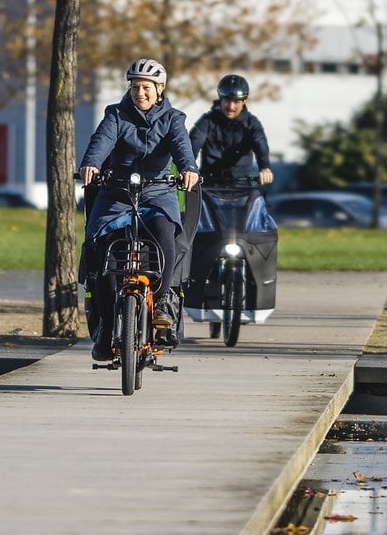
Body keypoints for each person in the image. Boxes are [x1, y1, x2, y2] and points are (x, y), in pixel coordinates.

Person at [79, 57, 199, 361]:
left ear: (159, 89)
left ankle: (162, 302)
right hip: (116, 194)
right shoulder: (116, 115)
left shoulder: (173, 119)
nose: (140, 92)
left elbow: (182, 147)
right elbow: (101, 140)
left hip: (157, 193)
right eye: (135, 87)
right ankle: (106, 327)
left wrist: (188, 169)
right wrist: (91, 163)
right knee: (102, 250)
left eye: (146, 87)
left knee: (165, 237)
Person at [189, 74, 273, 185]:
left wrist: (265, 167)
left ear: (244, 102)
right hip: (209, 188)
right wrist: (189, 168)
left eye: (236, 102)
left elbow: (260, 142)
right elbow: (192, 144)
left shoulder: (251, 124)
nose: (231, 106)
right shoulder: (207, 122)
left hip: (241, 189)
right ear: (221, 99)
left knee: (258, 201)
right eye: (227, 100)